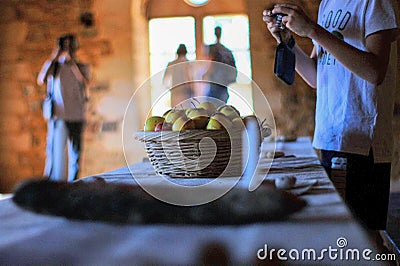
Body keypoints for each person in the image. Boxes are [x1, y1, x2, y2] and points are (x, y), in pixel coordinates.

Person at [263, 1, 399, 231]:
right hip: (330, 136)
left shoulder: (374, 3)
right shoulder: (328, 3)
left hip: (362, 144)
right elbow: (317, 76)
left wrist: (312, 30)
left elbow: (375, 71)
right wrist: (287, 41)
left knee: (362, 240)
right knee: (337, 234)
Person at [37, 34, 91, 182]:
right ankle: (50, 184)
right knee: (53, 152)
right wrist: (55, 55)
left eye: (70, 45)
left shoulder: (82, 66)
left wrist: (72, 62)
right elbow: (41, 79)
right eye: (64, 45)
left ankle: (73, 184)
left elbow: (85, 81)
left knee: (75, 154)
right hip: (58, 116)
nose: (67, 49)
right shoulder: (54, 67)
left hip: (77, 115)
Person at [203, 26, 237, 104]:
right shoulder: (227, 51)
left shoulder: (213, 48)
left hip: (215, 84)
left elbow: (212, 63)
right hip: (224, 84)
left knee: (210, 108)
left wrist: (205, 75)